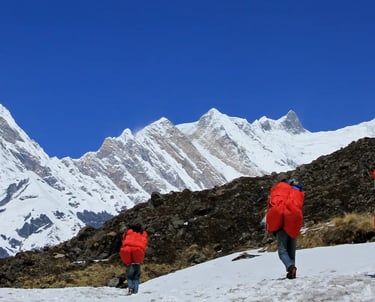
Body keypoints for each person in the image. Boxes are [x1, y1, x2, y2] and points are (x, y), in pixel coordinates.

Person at [266, 179, 305, 279]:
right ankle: (293, 271)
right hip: (293, 223)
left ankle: (290, 267)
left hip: (281, 225)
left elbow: (272, 210)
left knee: (282, 251)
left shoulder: (277, 194)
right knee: (291, 250)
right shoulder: (294, 193)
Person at [119, 223, 148, 295]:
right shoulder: (143, 234)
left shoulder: (128, 233)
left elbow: (123, 241)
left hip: (128, 256)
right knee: (136, 277)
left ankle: (130, 289)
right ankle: (135, 291)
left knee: (130, 276)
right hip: (138, 256)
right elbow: (145, 243)